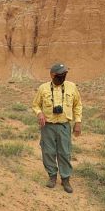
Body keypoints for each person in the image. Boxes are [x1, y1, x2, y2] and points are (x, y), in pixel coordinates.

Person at [32, 63, 82, 193]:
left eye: (64, 74)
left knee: (65, 153)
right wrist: (39, 113)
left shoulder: (72, 87)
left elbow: (77, 105)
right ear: (52, 75)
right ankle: (52, 176)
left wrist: (78, 122)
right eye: (60, 75)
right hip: (48, 126)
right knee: (48, 152)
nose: (63, 77)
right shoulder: (43, 88)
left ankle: (65, 179)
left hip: (64, 126)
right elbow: (35, 105)